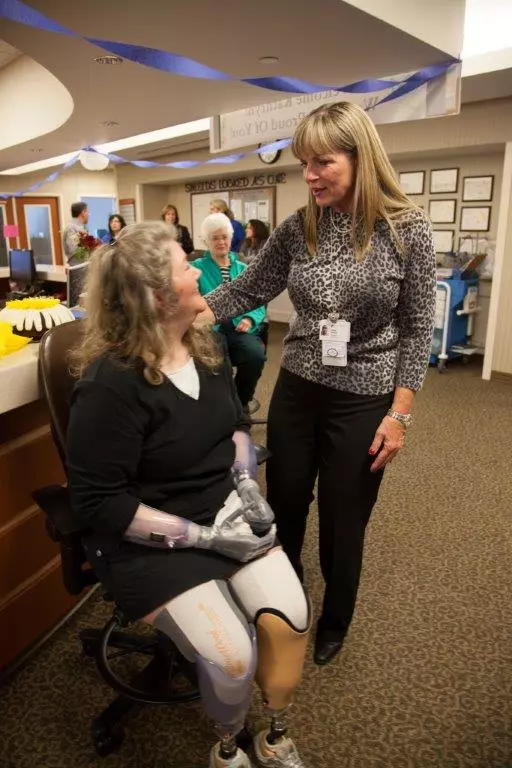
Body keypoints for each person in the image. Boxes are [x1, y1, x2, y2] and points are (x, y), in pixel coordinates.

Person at [66, 221, 310, 768]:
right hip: (147, 538)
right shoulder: (111, 385)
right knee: (232, 658)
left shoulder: (208, 345)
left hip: (222, 507)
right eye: (185, 264)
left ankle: (274, 732)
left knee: (290, 618)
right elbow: (99, 503)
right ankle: (228, 746)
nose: (197, 268)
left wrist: (246, 484)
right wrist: (204, 538)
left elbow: (238, 427)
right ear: (157, 294)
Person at [202, 101, 436, 667]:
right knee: (281, 501)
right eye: (303, 164)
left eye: (322, 163)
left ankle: (336, 618)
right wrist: (171, 317)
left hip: (366, 394)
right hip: (300, 386)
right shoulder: (299, 227)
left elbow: (416, 328)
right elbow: (244, 291)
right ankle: (288, 599)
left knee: (343, 510)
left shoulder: (407, 232)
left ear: (361, 157)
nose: (309, 176)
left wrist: (399, 414)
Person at [192, 213, 266, 415]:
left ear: (231, 238)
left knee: (255, 355)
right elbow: (191, 301)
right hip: (208, 329)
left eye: (224, 236)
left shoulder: (243, 268)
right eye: (215, 238)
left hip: (238, 326)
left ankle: (241, 402)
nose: (221, 242)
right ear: (207, 241)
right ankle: (218, 408)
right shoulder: (196, 269)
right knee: (216, 360)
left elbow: (258, 301)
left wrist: (250, 318)